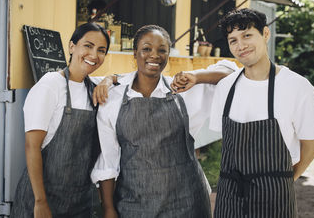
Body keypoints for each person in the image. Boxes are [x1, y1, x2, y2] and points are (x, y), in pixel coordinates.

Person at [92, 25, 235, 218]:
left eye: (162, 50)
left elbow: (232, 74)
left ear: (168, 55)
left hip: (188, 203)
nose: (154, 55)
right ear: (135, 53)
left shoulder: (184, 90)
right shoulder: (113, 98)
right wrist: (109, 209)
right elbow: (107, 161)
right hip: (135, 205)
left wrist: (196, 76)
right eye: (146, 49)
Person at [208, 8, 314, 217]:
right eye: (233, 40)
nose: (240, 45)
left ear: (265, 34)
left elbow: (310, 146)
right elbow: (226, 142)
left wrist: (282, 181)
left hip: (274, 198)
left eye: (247, 35)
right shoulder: (226, 87)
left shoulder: (297, 86)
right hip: (230, 195)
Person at [11, 22, 113, 218]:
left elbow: (127, 78)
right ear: (72, 46)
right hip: (42, 199)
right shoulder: (51, 85)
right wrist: (40, 202)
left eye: (101, 50)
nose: (94, 55)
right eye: (88, 46)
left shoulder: (95, 88)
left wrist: (109, 80)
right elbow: (32, 146)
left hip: (79, 203)